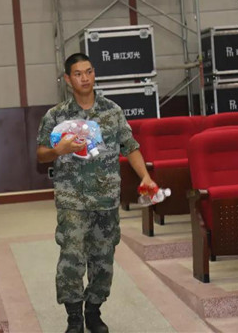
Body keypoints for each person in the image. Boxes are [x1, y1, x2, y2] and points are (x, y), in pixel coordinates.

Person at [36, 53, 156, 333]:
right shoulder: (56, 116)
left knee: (103, 260)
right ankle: (74, 318)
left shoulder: (112, 111)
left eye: (89, 72)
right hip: (72, 200)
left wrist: (145, 176)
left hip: (106, 199)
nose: (85, 78)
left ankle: (93, 311)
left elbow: (130, 146)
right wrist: (57, 150)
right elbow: (41, 154)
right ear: (68, 79)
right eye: (78, 74)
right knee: (72, 258)